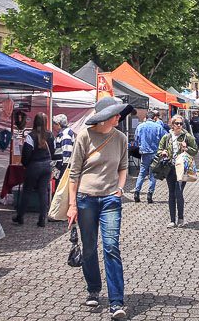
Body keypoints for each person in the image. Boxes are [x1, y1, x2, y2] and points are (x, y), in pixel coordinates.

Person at [67, 97, 133, 320]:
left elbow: (123, 167)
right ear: (105, 117)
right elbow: (74, 173)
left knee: (111, 247)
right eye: (116, 114)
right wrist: (72, 204)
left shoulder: (121, 138)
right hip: (86, 198)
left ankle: (116, 301)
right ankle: (93, 288)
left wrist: (120, 189)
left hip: (110, 200)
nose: (119, 117)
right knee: (88, 248)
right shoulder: (85, 136)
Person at [154, 115, 197, 227]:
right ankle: (172, 220)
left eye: (181, 123)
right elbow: (159, 150)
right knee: (171, 193)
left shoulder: (187, 136)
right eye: (176, 123)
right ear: (172, 124)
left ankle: (181, 219)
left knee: (178, 192)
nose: (179, 125)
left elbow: (195, 150)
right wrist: (162, 152)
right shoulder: (167, 137)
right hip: (170, 167)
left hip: (182, 168)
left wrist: (186, 148)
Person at [14, 112, 55, 227]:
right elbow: (53, 151)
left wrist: (26, 164)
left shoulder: (30, 136)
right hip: (47, 165)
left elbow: (26, 154)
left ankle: (20, 216)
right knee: (43, 192)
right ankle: (42, 218)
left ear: (35, 122)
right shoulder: (50, 135)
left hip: (34, 165)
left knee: (27, 191)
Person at [132, 109, 167, 204]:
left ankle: (136, 193)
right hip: (155, 152)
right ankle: (149, 195)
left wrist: (141, 145)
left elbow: (136, 139)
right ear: (154, 117)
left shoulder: (140, 126)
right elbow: (165, 138)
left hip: (144, 153)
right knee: (153, 175)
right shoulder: (158, 127)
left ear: (146, 117)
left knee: (142, 173)